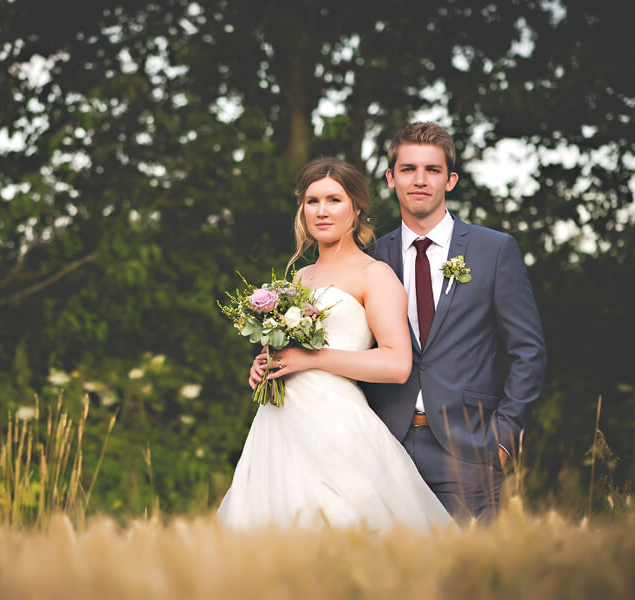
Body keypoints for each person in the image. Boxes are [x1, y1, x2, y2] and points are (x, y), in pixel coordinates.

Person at [252, 122, 547, 521]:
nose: (419, 180)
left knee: (467, 574)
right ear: (391, 179)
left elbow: (527, 352)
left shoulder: (493, 250)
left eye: (432, 170)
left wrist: (504, 439)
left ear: (451, 179)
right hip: (378, 443)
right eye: (408, 169)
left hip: (469, 447)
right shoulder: (369, 255)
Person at [217, 157, 451, 532]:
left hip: (335, 424)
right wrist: (266, 362)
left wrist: (311, 358)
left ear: (357, 209)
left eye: (334, 200)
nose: (321, 211)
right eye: (312, 201)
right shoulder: (300, 276)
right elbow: (288, 351)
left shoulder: (374, 275)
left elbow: (397, 363)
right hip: (278, 424)